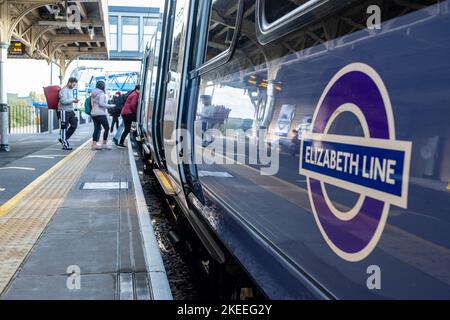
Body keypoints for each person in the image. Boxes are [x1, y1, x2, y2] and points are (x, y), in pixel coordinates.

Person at [91, 81, 115, 150]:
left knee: (96, 129)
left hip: (94, 113)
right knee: (107, 128)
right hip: (100, 113)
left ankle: (94, 145)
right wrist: (110, 106)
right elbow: (101, 104)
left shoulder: (93, 93)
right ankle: (104, 144)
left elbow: (93, 103)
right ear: (103, 86)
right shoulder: (101, 94)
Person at [58, 77, 79, 150]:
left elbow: (69, 100)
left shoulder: (70, 90)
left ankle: (64, 138)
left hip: (70, 111)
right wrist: (73, 100)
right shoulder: (63, 90)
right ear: (69, 82)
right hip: (64, 111)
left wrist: (73, 101)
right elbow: (63, 101)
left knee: (74, 124)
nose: (74, 86)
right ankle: (65, 144)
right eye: (73, 84)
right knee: (64, 127)